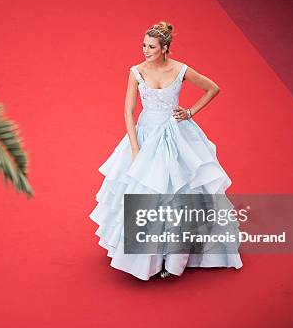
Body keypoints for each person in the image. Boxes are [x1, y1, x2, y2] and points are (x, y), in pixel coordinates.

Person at [89, 21, 243, 281]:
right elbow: (128, 110)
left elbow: (212, 88)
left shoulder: (180, 69)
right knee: (147, 193)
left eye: (151, 46)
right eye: (143, 45)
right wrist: (135, 147)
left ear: (165, 48)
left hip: (176, 135)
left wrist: (190, 111)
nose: (145, 50)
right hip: (146, 137)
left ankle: (174, 258)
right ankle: (146, 258)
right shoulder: (136, 72)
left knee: (177, 193)